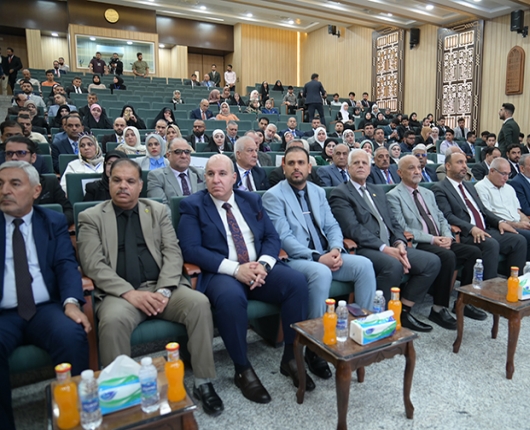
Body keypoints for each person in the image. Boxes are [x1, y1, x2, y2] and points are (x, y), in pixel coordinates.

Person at [77, 158, 222, 416]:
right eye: (117, 180)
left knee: (199, 303)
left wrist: (164, 290)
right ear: (108, 183)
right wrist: (130, 293)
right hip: (120, 294)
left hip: (162, 287)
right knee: (112, 321)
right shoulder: (91, 217)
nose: (123, 186)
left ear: (140, 185)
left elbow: (173, 253)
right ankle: (121, 395)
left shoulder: (156, 211)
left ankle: (203, 381)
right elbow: (93, 265)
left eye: (130, 181)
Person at [178, 153, 312, 402]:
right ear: (204, 178)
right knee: (230, 298)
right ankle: (242, 368)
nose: (216, 179)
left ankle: (291, 358)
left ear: (234, 178)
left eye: (222, 174)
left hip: (258, 266)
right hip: (222, 272)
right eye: (210, 174)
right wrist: (235, 270)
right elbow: (191, 249)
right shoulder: (193, 205)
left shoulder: (251, 200)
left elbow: (271, 237)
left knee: (296, 283)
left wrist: (263, 265)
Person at [263, 146, 376, 376]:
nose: (296, 167)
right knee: (321, 272)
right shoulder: (273, 196)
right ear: (284, 166)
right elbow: (284, 237)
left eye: (301, 163)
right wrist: (317, 257)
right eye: (291, 163)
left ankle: (362, 332)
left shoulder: (317, 191)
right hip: (296, 260)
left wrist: (335, 249)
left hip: (326, 253)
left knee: (364, 265)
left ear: (309, 167)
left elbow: (332, 225)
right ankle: (314, 347)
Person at [0, 160, 89, 430]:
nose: (5, 190)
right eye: (0, 184)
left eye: (15, 184)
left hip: (45, 308)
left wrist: (71, 302)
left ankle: (73, 418)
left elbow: (65, 264)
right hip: (3, 315)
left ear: (36, 190)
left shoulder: (52, 221)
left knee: (71, 334)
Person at [328, 149, 442, 332]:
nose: (360, 166)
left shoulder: (377, 191)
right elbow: (352, 229)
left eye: (364, 163)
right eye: (356, 163)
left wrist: (399, 244)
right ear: (348, 168)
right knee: (393, 265)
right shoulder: (340, 193)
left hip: (391, 245)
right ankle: (381, 318)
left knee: (432, 262)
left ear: (369, 168)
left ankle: (403, 311)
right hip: (365, 248)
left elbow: (393, 223)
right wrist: (384, 248)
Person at [388, 155, 486, 329]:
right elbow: (403, 228)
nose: (417, 171)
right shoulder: (393, 196)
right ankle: (438, 309)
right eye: (411, 168)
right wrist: (433, 239)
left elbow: (441, 218)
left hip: (441, 239)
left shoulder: (428, 193)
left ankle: (464, 301)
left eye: (419, 167)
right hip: (420, 242)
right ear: (400, 173)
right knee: (447, 256)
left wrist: (447, 236)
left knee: (473, 252)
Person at [433, 152, 527, 279]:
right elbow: (447, 216)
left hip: (484, 229)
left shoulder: (469, 186)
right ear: (448, 166)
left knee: (519, 240)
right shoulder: (440, 188)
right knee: (491, 244)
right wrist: (471, 228)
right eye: (459, 162)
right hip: (466, 233)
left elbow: (483, 210)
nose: (465, 166)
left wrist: (500, 222)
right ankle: (488, 287)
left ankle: (515, 282)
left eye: (465, 162)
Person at [475, 157, 530, 268]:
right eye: (503, 174)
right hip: (500, 226)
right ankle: (522, 272)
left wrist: (529, 222)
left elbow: (518, 211)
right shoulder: (481, 187)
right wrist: (518, 225)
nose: (506, 178)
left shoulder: (509, 188)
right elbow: (489, 216)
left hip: (517, 223)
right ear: (492, 171)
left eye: (508, 174)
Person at [4, 136, 73, 225]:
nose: (14, 158)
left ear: (33, 157)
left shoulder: (50, 182)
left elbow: (69, 211)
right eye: (9, 153)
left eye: (21, 153)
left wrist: (50, 226)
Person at [147, 138, 205, 208]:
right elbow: (161, 207)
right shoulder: (156, 176)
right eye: (178, 152)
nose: (183, 156)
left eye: (187, 152)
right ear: (168, 155)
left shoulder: (201, 174)